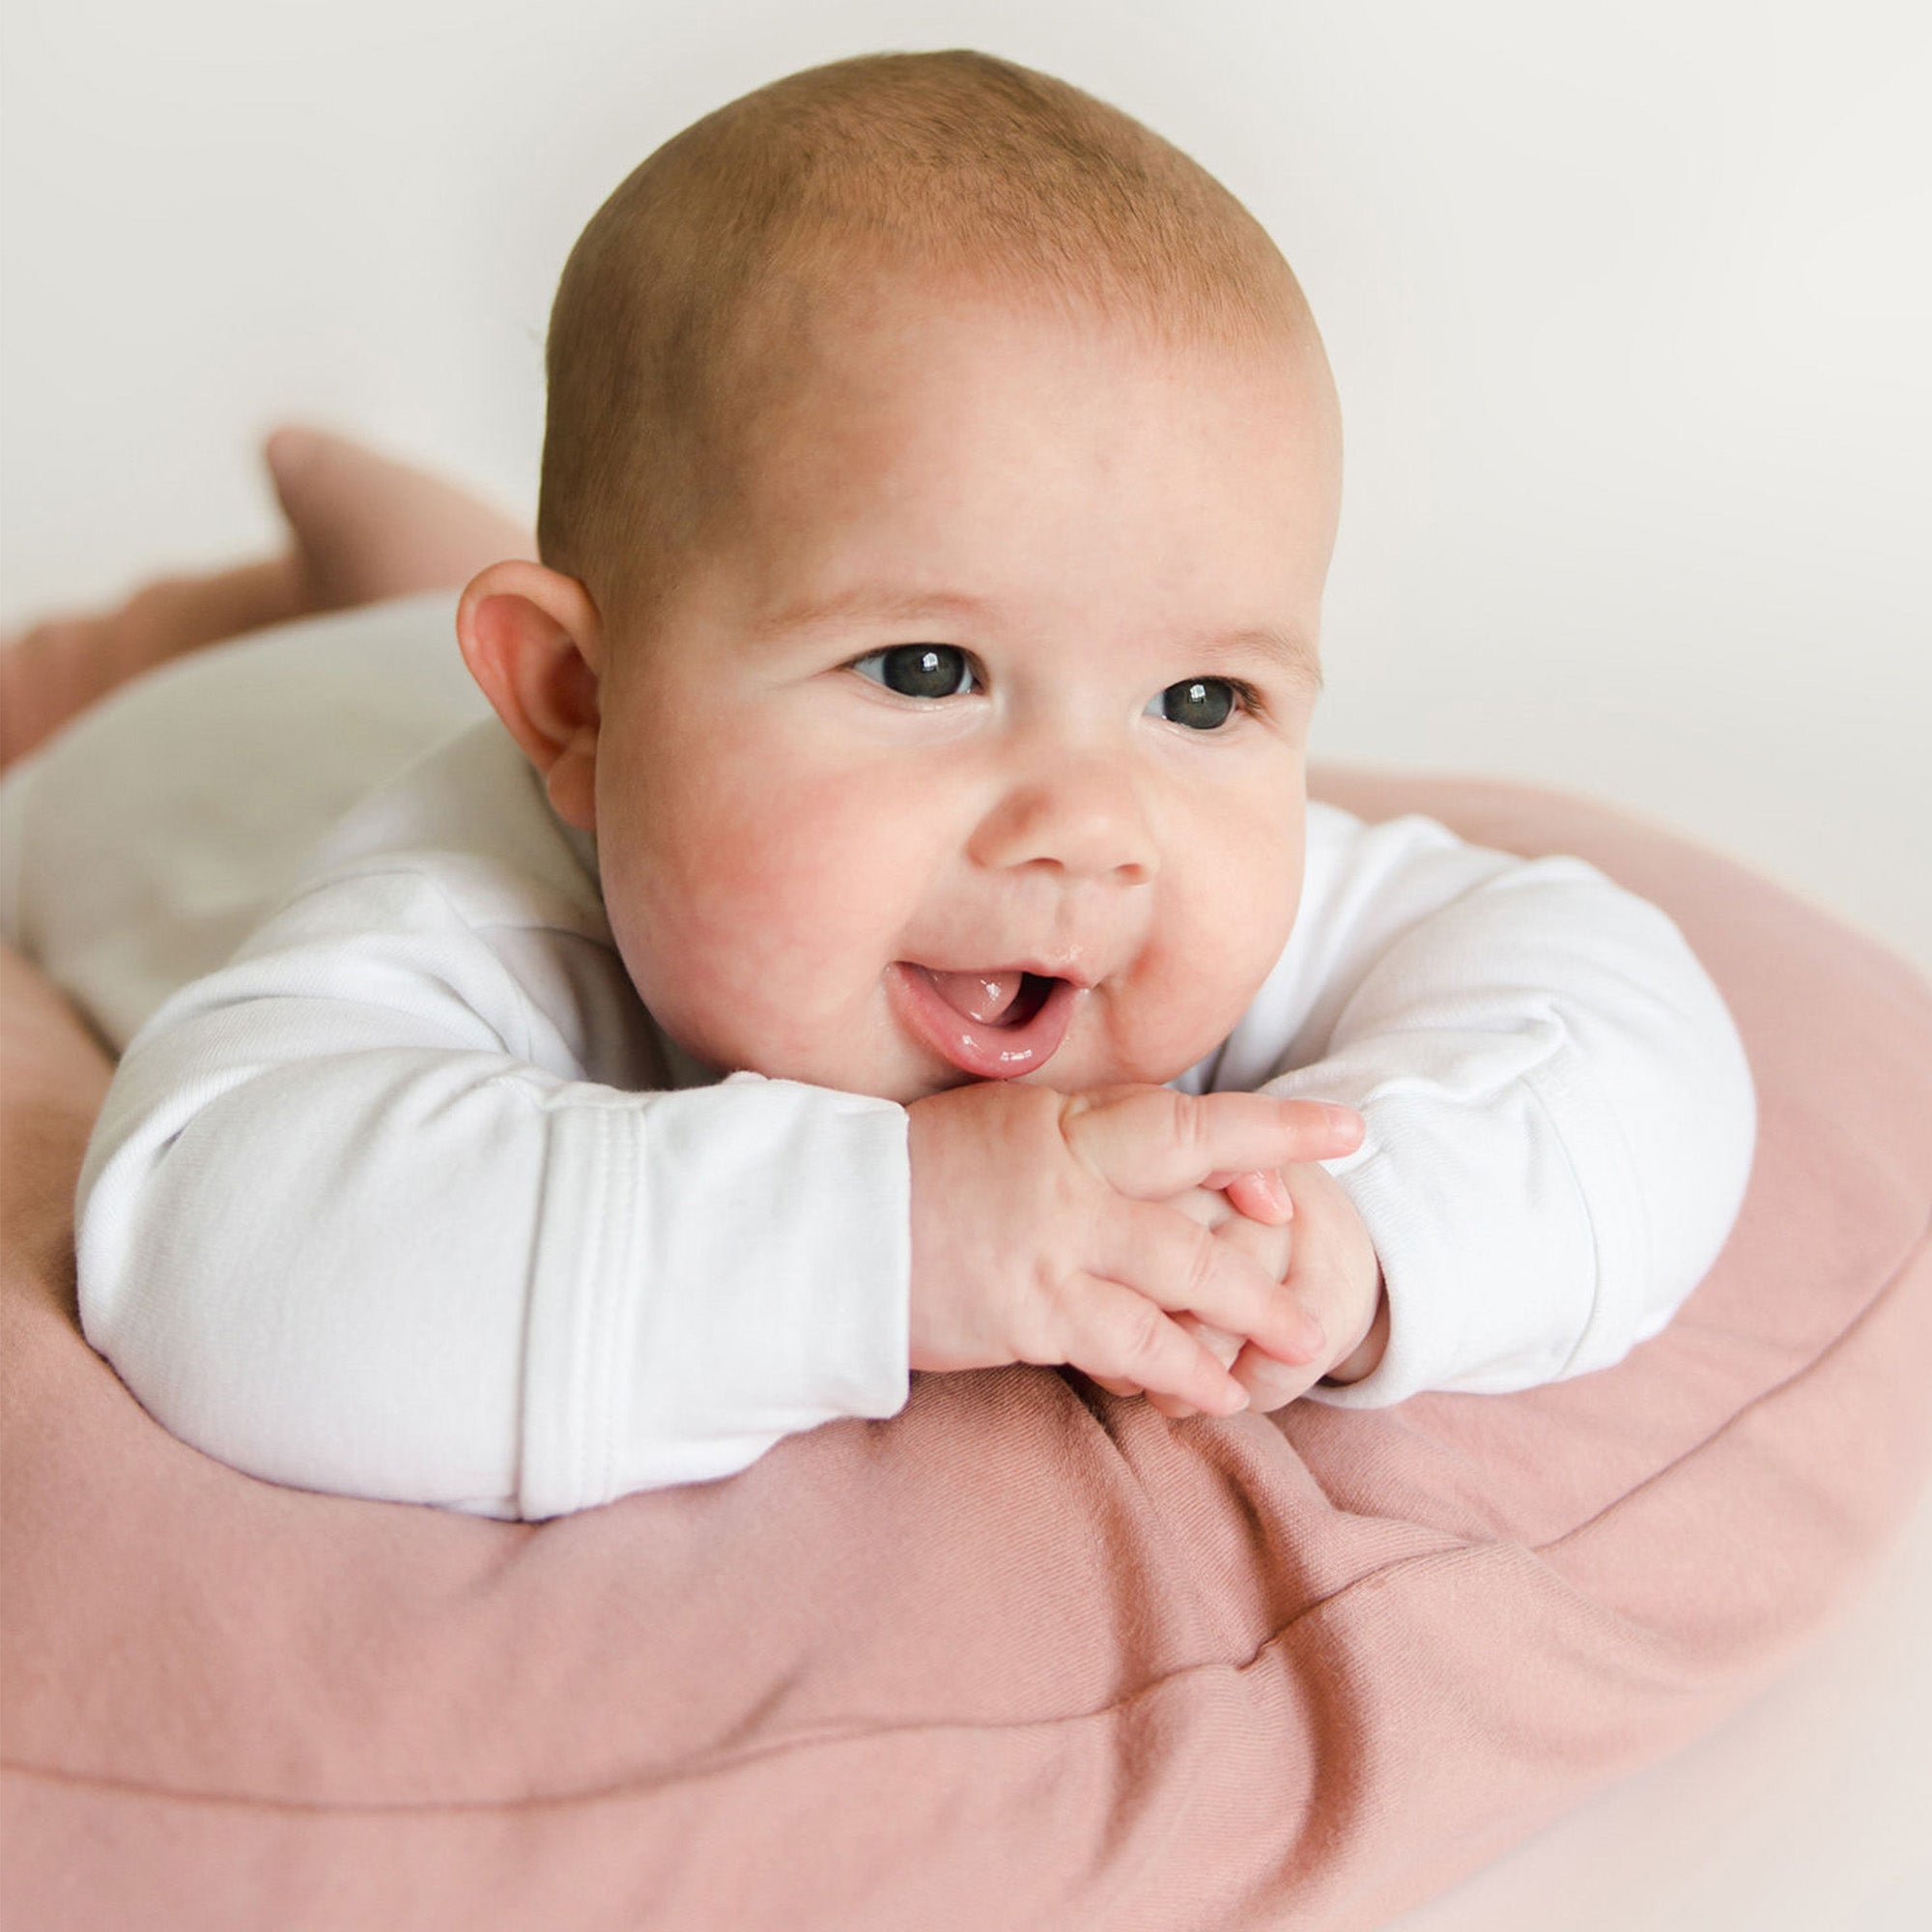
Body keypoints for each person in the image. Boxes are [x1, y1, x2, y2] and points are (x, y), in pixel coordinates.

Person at [0, 51, 1754, 1520]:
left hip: (453, 652)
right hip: (193, 755)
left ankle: (374, 529)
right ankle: (321, 551)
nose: (1090, 825)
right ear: (578, 705)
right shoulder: (458, 921)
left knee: (418, 588)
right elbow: (225, 1263)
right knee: (264, 651)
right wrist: (893, 1242)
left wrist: (1363, 1240)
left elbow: (1626, 1020)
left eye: (1201, 698)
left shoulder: (1164, 892)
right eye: (929, 670)